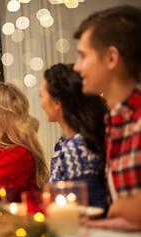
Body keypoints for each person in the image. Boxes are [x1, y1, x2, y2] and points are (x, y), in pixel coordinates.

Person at [73, 6, 141, 225]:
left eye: (83, 56)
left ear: (112, 58)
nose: (77, 67)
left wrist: (129, 207)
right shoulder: (115, 120)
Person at [40, 63, 108, 208]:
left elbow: (84, 208)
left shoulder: (79, 147)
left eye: (42, 96)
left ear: (57, 102)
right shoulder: (62, 144)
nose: (41, 104)